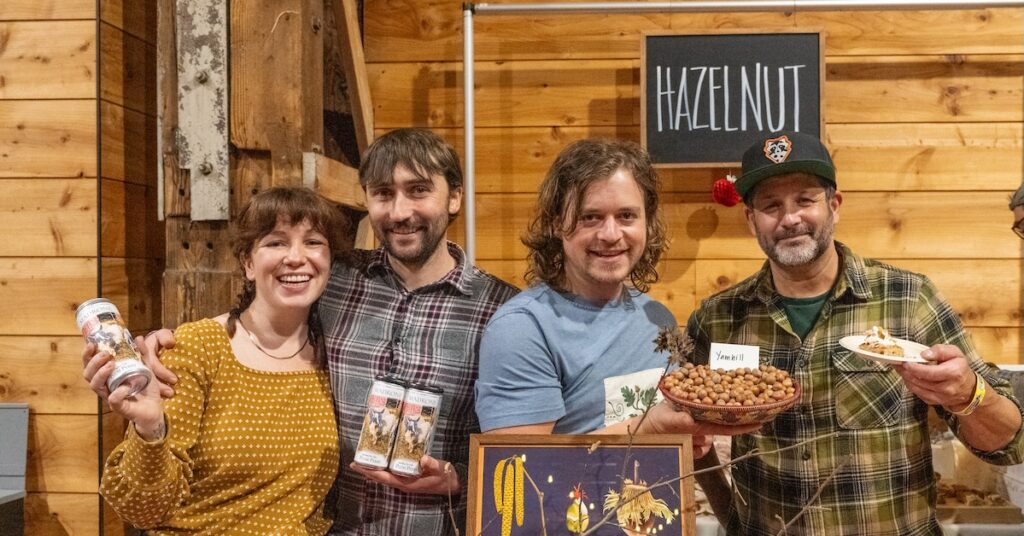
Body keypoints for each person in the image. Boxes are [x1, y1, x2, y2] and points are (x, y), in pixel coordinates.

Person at [107, 129, 519, 535]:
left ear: (454, 197)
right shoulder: (339, 280)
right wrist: (159, 346)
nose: (398, 211)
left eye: (418, 190)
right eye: (382, 194)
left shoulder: (504, 312)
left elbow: (522, 461)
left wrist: (459, 478)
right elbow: (267, 305)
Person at [687, 130, 1024, 535]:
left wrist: (970, 394)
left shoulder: (909, 299)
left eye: (805, 200)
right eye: (771, 205)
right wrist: (732, 521)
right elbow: (690, 440)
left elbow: (1010, 444)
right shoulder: (719, 317)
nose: (790, 218)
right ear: (750, 219)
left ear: (834, 206)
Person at [81, 187, 346, 534]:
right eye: (276, 242)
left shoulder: (337, 357)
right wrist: (150, 429)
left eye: (313, 242)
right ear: (248, 263)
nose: (296, 257)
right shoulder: (198, 348)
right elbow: (143, 512)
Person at [475, 138, 759, 450]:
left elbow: (684, 439)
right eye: (590, 217)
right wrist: (648, 429)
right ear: (557, 223)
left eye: (626, 216)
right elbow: (517, 470)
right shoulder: (522, 329)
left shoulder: (657, 318)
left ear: (647, 223)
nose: (610, 235)